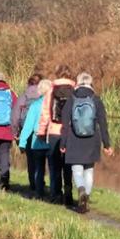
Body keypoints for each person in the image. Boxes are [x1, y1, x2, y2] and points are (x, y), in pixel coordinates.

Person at [60, 72, 112, 214]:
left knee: (76, 170)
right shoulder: (96, 99)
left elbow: (64, 124)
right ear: (91, 83)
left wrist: (63, 144)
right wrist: (107, 145)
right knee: (88, 170)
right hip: (92, 140)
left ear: (77, 83)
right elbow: (103, 124)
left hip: (74, 139)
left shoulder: (71, 99)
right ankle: (86, 198)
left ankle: (81, 189)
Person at [38, 65, 77, 206]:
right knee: (68, 166)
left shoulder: (51, 90)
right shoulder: (75, 91)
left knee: (54, 166)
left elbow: (45, 114)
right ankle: (68, 194)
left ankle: (55, 195)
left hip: (54, 132)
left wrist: (42, 132)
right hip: (71, 133)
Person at [17, 79, 53, 198]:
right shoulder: (54, 105)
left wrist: (22, 143)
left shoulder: (35, 105)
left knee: (38, 168)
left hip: (37, 142)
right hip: (52, 141)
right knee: (53, 169)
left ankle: (39, 192)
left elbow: (28, 126)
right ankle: (55, 193)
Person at [10, 73, 42, 139]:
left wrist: (14, 132)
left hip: (26, 127)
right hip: (42, 128)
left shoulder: (23, 96)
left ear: (29, 83)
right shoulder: (46, 95)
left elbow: (15, 116)